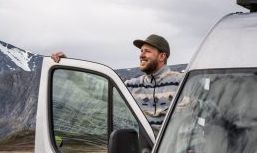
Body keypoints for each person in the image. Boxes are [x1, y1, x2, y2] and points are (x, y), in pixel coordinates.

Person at [50, 34, 183, 130]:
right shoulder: (134, 86)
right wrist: (70, 69)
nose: (141, 55)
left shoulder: (181, 83)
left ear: (161, 56)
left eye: (147, 51)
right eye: (141, 51)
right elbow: (99, 88)